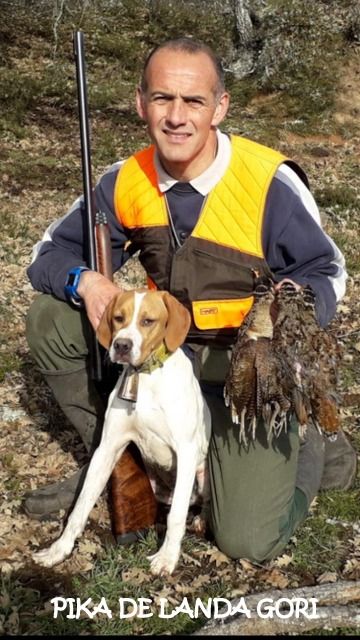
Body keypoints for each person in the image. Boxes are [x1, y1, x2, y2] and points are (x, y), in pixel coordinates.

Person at [24, 37, 357, 562]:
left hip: (246, 368)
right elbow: (48, 253)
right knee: (51, 320)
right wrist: (88, 282)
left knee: (246, 539)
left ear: (219, 107)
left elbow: (329, 272)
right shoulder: (124, 180)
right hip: (166, 355)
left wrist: (287, 307)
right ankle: (122, 457)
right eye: (162, 99)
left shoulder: (269, 183)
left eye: (194, 101)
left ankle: (312, 448)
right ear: (140, 103)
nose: (176, 117)